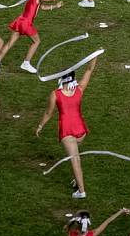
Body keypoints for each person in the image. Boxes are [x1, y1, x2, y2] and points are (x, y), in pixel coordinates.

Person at [36, 58, 99, 198]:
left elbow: (48, 113)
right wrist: (95, 56)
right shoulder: (79, 89)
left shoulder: (56, 94)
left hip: (67, 130)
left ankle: (81, 191)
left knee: (75, 160)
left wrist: (40, 125)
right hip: (81, 130)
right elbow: (89, 70)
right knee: (75, 155)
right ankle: (77, 179)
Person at [0, 0, 62, 73]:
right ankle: (26, 63)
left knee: (9, 43)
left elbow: (43, 7)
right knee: (37, 41)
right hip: (26, 23)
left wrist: (55, 7)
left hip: (20, 21)